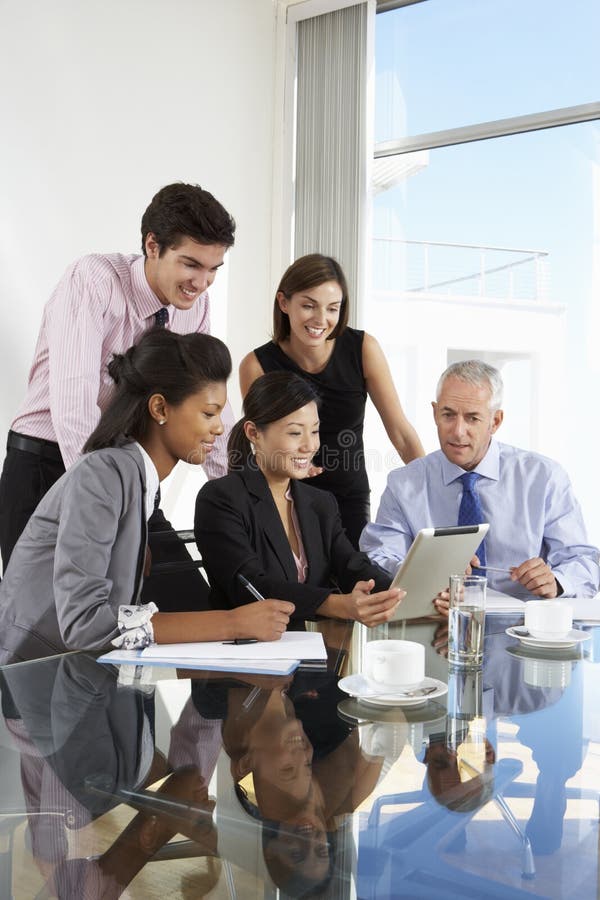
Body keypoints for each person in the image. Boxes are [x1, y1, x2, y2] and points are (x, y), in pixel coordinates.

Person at [0, 330, 293, 665]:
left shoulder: (135, 479)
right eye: (209, 414)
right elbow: (84, 624)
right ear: (160, 408)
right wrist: (233, 622)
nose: (218, 429)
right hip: (27, 679)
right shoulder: (104, 474)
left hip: (72, 678)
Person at [0, 181, 236, 573]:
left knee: (184, 596)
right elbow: (74, 410)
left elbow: (209, 403)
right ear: (152, 246)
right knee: (44, 627)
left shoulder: (194, 308)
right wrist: (109, 508)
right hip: (48, 465)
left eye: (213, 269)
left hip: (130, 472)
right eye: (191, 264)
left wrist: (242, 491)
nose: (202, 282)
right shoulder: (93, 282)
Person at [360, 359, 600, 610]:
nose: (458, 431)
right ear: (434, 413)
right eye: (448, 415)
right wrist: (426, 571)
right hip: (435, 622)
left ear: (495, 421)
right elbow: (378, 558)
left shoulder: (544, 477)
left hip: (524, 628)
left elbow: (583, 561)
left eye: (472, 418)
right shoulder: (404, 484)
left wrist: (557, 582)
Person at [238, 254, 424, 548]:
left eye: (332, 308)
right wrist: (294, 464)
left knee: (358, 583)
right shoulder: (256, 365)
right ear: (284, 303)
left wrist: (430, 491)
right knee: (305, 588)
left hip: (349, 497)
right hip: (288, 497)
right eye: (308, 305)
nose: (320, 319)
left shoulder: (363, 349)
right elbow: (259, 441)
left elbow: (400, 433)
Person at [195, 371, 403, 625]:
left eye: (314, 431)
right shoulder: (220, 499)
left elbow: (352, 566)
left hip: (308, 650)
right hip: (244, 651)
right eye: (295, 433)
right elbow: (251, 587)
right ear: (253, 433)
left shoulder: (320, 503)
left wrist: (398, 592)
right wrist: (336, 604)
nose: (309, 445)